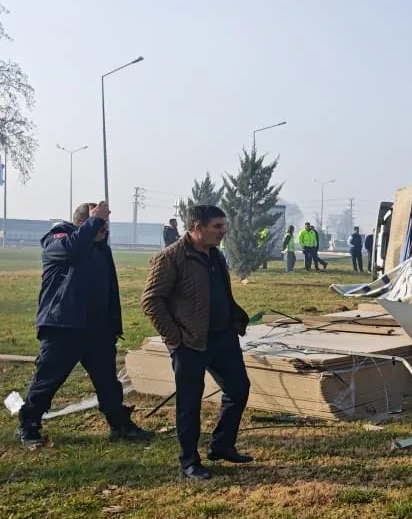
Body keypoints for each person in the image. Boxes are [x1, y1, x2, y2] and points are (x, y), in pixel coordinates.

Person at [15, 201, 154, 447]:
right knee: (48, 378)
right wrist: (94, 222)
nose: (105, 230)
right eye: (101, 224)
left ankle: (119, 424)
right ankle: (30, 423)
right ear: (83, 223)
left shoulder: (100, 248)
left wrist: (112, 324)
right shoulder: (58, 238)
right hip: (63, 325)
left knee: (108, 381)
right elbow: (69, 250)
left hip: (97, 328)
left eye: (105, 225)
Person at [140, 205, 253, 481]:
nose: (222, 232)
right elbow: (151, 300)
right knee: (189, 403)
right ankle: (189, 461)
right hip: (190, 343)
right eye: (216, 226)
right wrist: (175, 338)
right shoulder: (170, 258)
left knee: (238, 388)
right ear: (196, 227)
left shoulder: (215, 255)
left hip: (222, 336)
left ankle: (222, 445)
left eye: (223, 226)